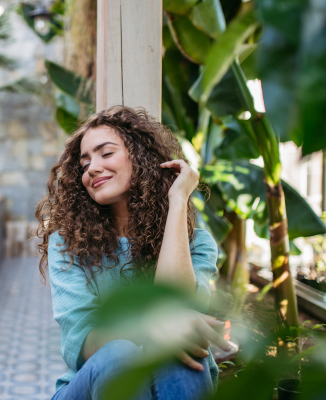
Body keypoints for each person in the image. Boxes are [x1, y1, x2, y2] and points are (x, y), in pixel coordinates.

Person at [35, 106, 231, 400]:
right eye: (84, 162)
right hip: (88, 386)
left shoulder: (197, 244)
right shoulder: (68, 244)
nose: (92, 168)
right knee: (120, 353)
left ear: (142, 159)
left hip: (166, 381)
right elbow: (85, 344)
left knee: (182, 349)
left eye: (106, 153)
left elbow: (174, 302)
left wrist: (178, 198)